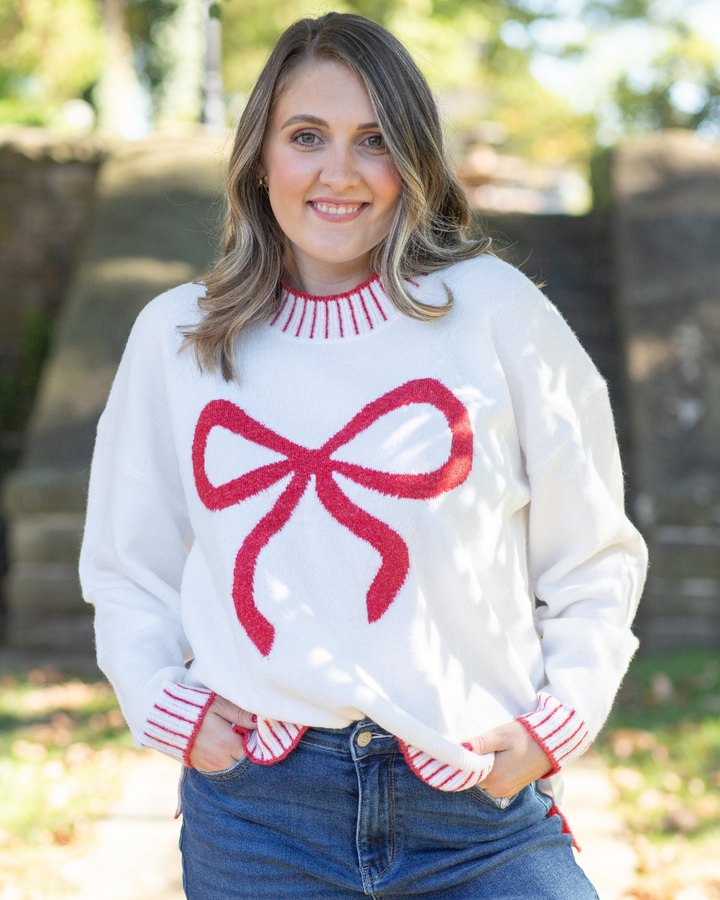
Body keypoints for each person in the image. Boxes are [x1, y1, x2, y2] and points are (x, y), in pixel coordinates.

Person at [80, 12, 647, 899]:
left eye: (374, 140)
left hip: (474, 806)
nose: (338, 173)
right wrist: (164, 703)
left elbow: (594, 550)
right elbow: (128, 564)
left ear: (413, 159)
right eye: (306, 136)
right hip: (262, 817)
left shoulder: (495, 312)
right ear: (259, 157)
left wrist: (558, 721)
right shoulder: (178, 337)